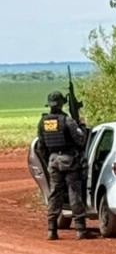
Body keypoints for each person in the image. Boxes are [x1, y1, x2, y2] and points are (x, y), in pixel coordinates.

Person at [35, 91, 89, 240]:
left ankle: (52, 230)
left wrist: (49, 159)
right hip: (69, 160)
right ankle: (80, 229)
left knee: (54, 194)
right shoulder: (67, 120)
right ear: (61, 104)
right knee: (74, 192)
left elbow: (40, 146)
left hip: (53, 161)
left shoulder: (43, 122)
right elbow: (81, 140)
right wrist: (82, 126)